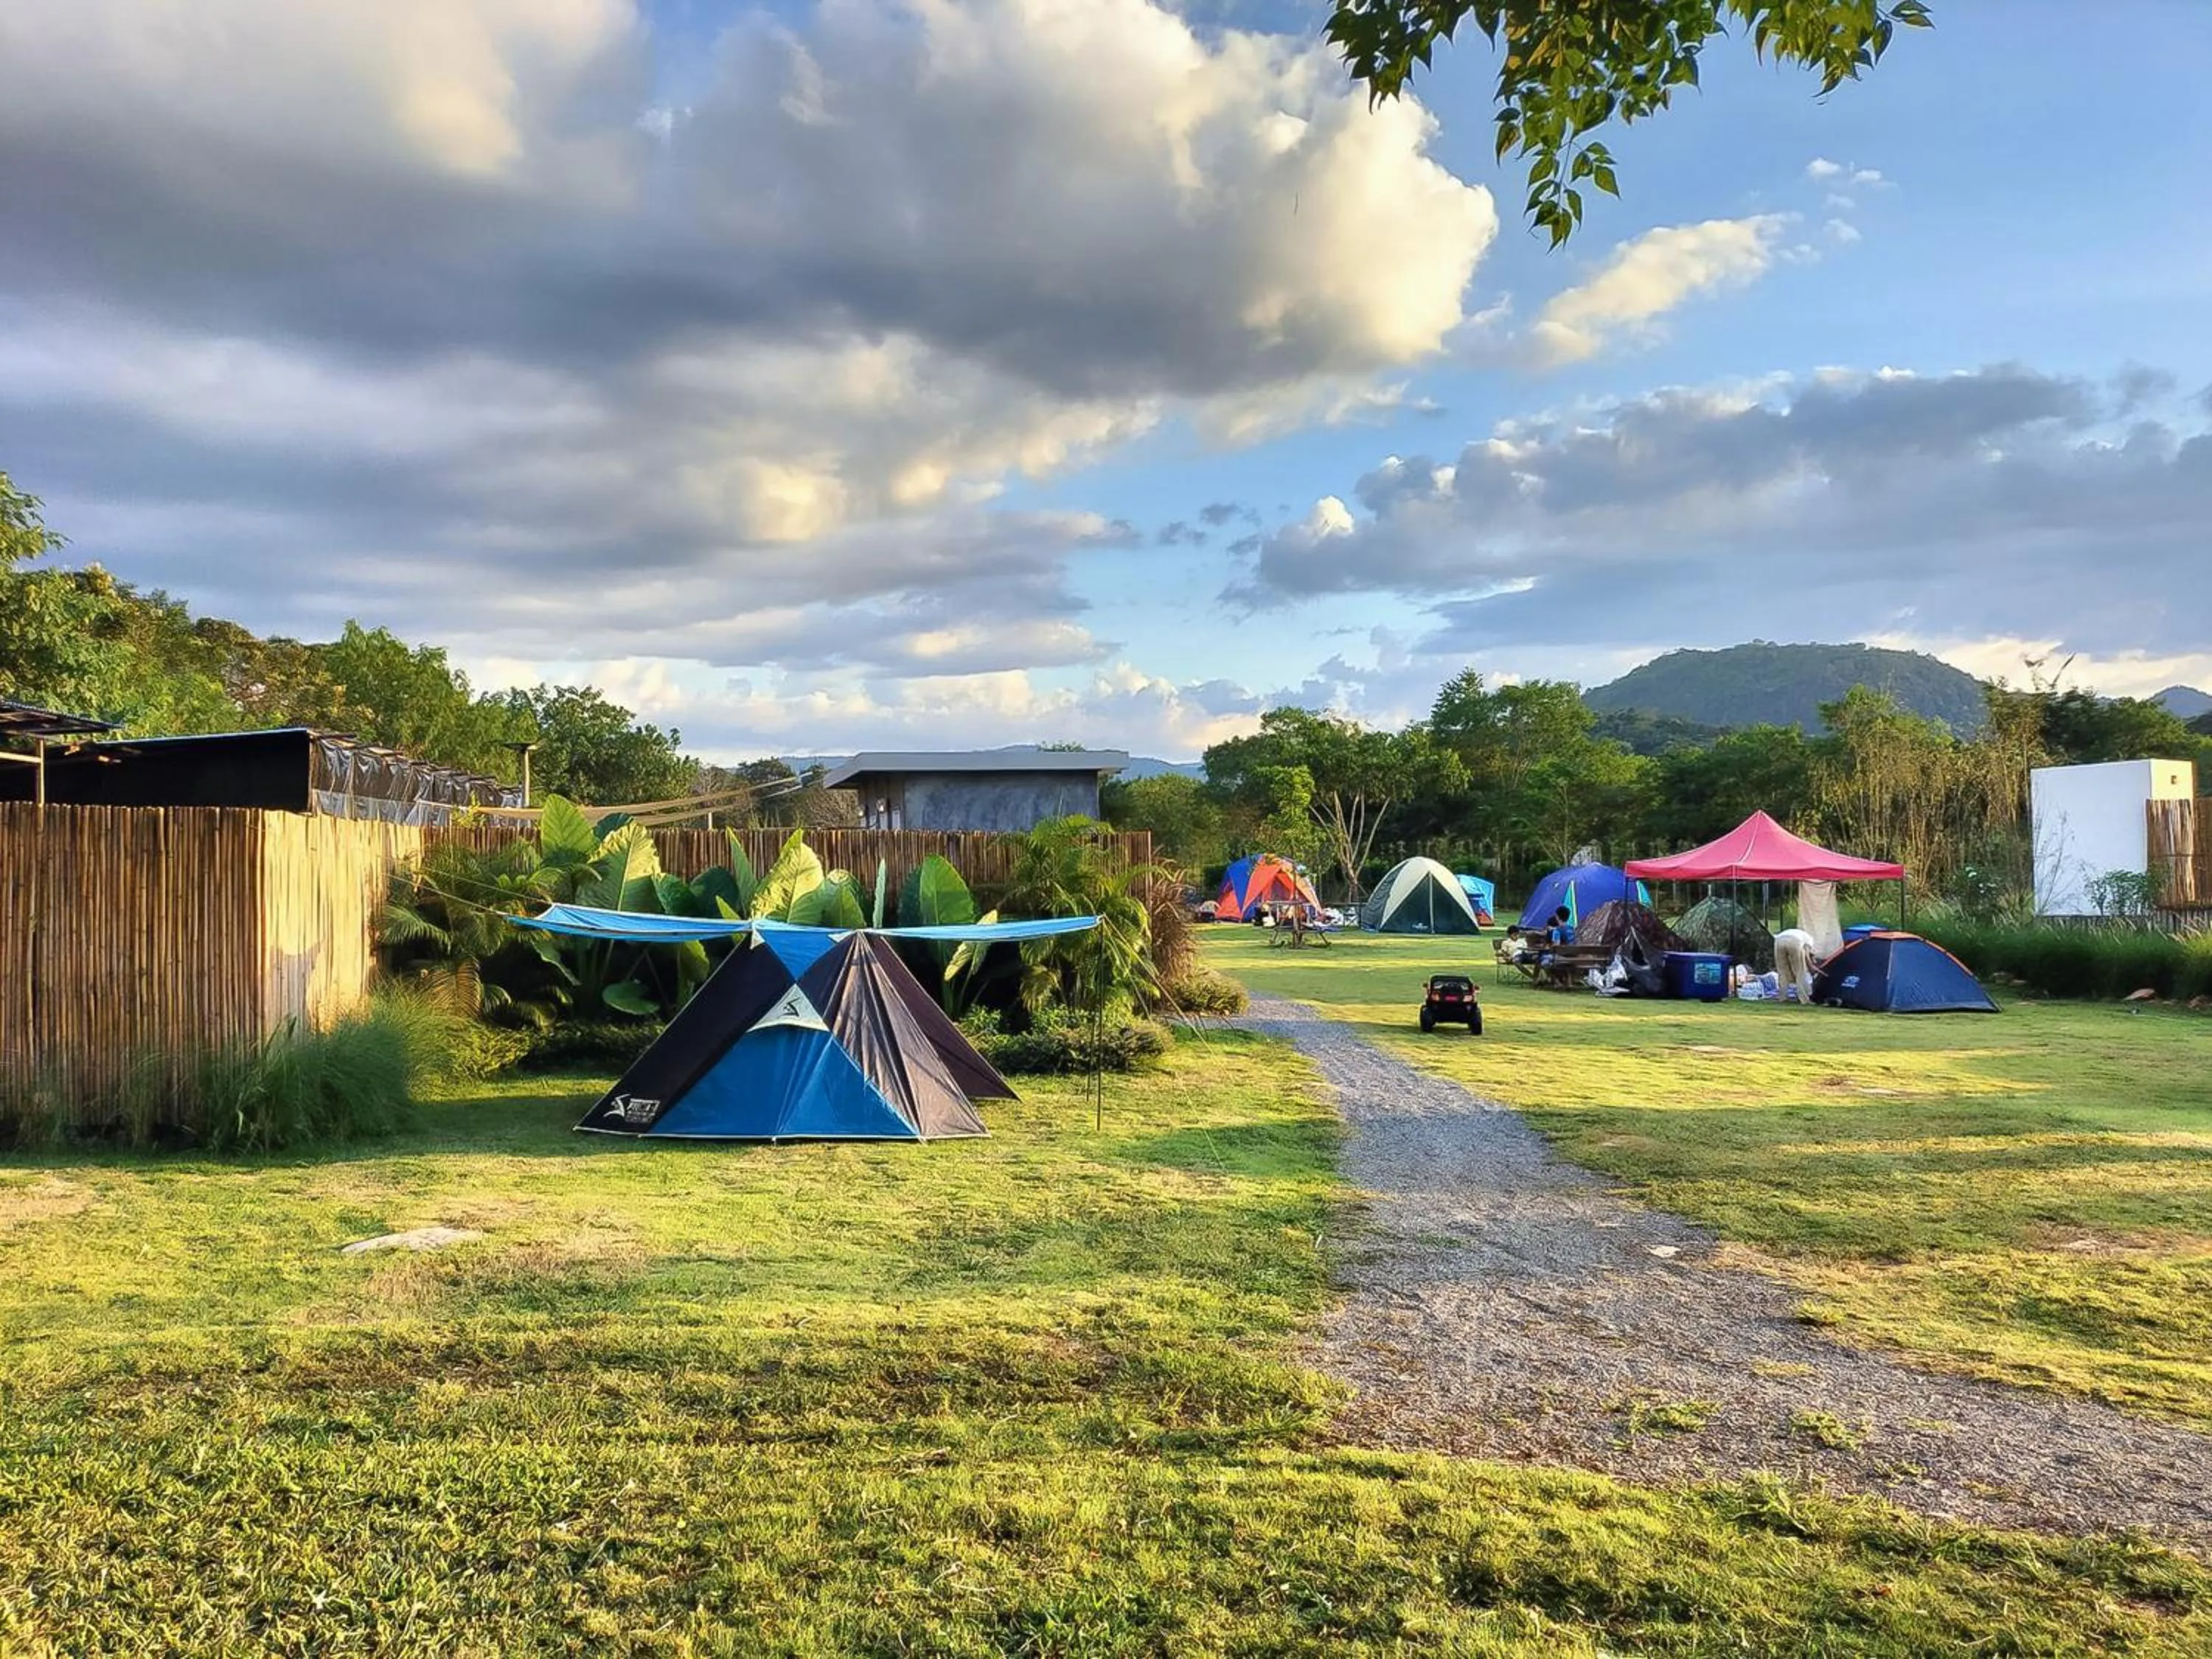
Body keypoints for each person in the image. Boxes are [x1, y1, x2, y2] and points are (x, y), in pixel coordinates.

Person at [1773, 926, 1821, 1004]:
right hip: (1795, 941)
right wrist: (1812, 967)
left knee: (1782, 971)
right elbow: (1807, 955)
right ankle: (1804, 999)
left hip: (1779, 940)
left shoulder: (1796, 932)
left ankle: (1783, 998)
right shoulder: (1810, 939)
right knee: (1800, 972)